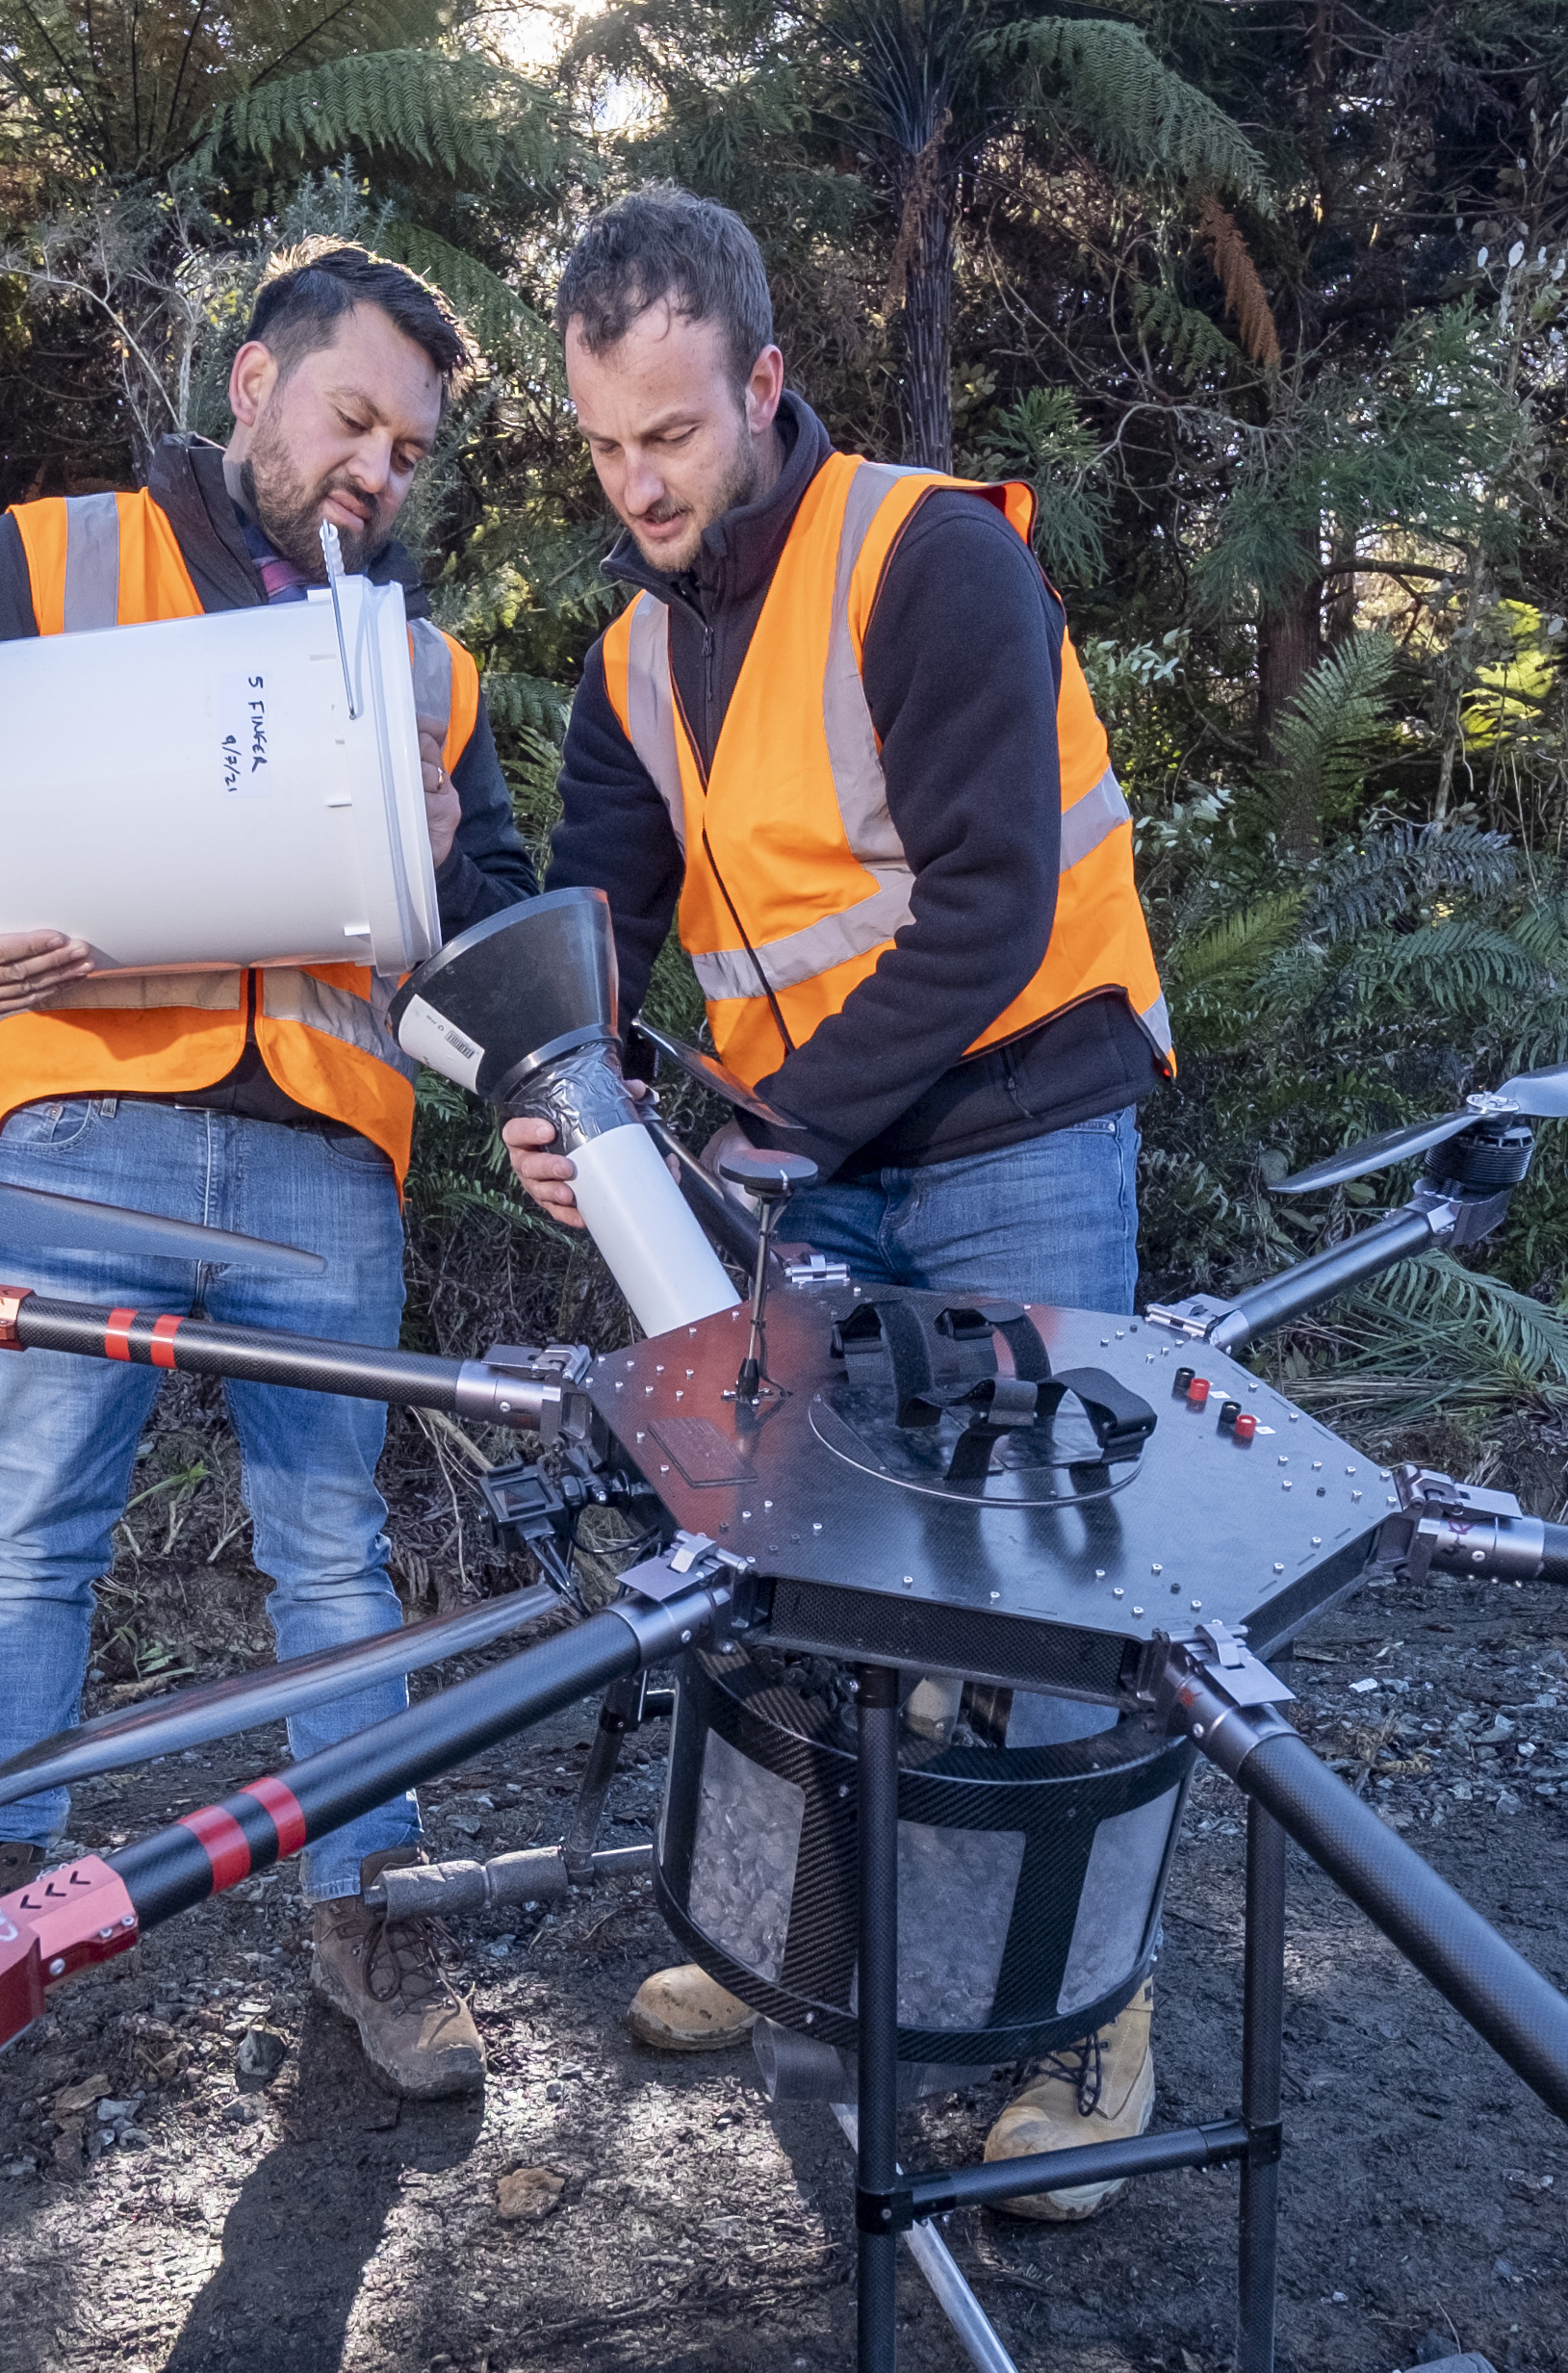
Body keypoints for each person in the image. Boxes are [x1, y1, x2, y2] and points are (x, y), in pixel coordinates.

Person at [501, 184, 1177, 2216]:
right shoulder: (632, 657)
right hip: (807, 1159)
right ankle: (808, 1940)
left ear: (764, 382)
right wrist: (560, 1100)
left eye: (670, 434)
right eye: (603, 446)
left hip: (1014, 1125)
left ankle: (1086, 2028)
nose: (637, 485)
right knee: (788, 1577)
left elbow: (990, 907)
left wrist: (768, 1138)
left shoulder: (927, 556)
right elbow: (591, 934)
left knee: (1049, 1595)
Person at [0, 243, 534, 2101]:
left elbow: (495, 918)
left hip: (325, 1154)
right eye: (352, 417)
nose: (375, 468)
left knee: (334, 1556)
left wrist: (448, 860)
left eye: (409, 447)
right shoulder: (50, 557)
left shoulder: (429, 669)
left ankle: (368, 1909)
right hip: (81, 1128)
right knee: (34, 1537)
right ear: (251, 383)